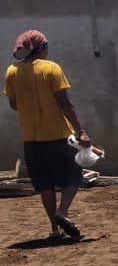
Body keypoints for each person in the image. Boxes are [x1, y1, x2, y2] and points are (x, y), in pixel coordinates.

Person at [3, 30, 92, 241]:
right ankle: (62, 212)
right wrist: (81, 131)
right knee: (74, 175)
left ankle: (54, 229)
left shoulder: (11, 72)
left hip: (31, 139)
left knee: (45, 185)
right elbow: (65, 104)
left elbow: (14, 104)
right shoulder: (52, 68)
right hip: (57, 136)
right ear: (41, 48)